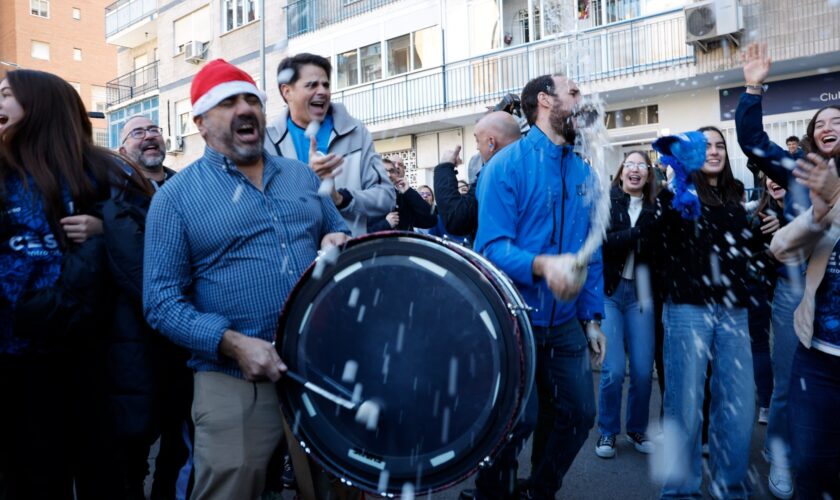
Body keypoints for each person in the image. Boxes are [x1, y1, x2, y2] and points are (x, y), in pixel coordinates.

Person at [142, 59, 350, 500]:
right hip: (230, 376)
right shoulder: (175, 199)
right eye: (227, 102)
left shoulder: (299, 175)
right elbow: (159, 302)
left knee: (337, 485)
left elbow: (337, 228)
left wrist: (338, 238)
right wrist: (232, 343)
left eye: (250, 99)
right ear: (199, 122)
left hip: (318, 364)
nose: (244, 109)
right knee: (232, 487)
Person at [0, 69, 152, 499]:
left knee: (105, 479)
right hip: (15, 369)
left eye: (7, 95)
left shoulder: (104, 171)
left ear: (42, 106)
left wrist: (108, 229)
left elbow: (156, 236)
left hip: (94, 362)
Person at [473, 73, 606, 499]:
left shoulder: (584, 170)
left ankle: (540, 490)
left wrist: (592, 318)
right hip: (516, 319)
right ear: (546, 102)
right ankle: (489, 489)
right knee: (519, 419)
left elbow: (592, 249)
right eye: (574, 92)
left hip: (566, 322)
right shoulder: (505, 166)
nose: (582, 100)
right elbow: (490, 247)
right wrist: (541, 264)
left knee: (580, 414)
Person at [736, 41, 840, 499]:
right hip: (793, 295)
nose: (829, 125)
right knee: (785, 387)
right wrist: (753, 87)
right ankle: (779, 454)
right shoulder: (798, 170)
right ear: (812, 135)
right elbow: (753, 142)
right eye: (822, 122)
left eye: (839, 120)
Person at [657, 126, 759, 499]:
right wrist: (673, 191)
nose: (713, 151)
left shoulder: (735, 194)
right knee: (684, 406)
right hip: (687, 309)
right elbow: (658, 245)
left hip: (734, 311)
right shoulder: (675, 195)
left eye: (719, 145)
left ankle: (729, 488)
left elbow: (743, 253)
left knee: (739, 405)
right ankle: (681, 491)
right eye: (705, 146)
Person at [102, 115, 193, 500]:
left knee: (179, 440)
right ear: (123, 149)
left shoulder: (185, 187)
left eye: (153, 129)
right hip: (135, 339)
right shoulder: (114, 191)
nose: (149, 136)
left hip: (185, 340)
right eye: (137, 132)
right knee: (135, 441)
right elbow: (136, 267)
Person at [770, 151, 840, 500]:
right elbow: (781, 248)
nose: (830, 128)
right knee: (811, 468)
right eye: (822, 122)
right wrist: (816, 214)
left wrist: (836, 197)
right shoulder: (825, 196)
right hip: (817, 357)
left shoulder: (835, 192)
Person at [265, 53, 394, 236]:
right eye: (312, 85)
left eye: (325, 85)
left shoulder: (357, 132)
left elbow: (386, 196)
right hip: (296, 261)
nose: (322, 91)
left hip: (347, 258)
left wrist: (340, 198)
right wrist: (307, 181)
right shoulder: (267, 142)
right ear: (287, 92)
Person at [595, 151, 659, 459]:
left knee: (644, 370)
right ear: (621, 173)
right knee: (614, 369)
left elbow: (663, 243)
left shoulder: (658, 206)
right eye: (630, 164)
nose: (635, 170)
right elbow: (602, 241)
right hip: (610, 291)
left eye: (641, 165)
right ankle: (607, 430)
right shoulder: (607, 203)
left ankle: (636, 428)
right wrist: (637, 234)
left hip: (642, 294)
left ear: (648, 174)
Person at [433, 111, 521, 239]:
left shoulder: (496, 173)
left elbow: (457, 219)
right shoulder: (535, 163)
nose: (477, 147)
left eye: (477, 141)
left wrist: (445, 167)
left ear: (491, 143)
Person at [747, 174, 786, 426]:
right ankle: (767, 401)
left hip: (791, 287)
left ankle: (785, 401)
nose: (773, 181)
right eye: (768, 178)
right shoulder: (759, 211)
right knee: (760, 345)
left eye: (778, 176)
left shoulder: (806, 208)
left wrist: (785, 226)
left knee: (786, 348)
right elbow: (748, 249)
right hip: (759, 285)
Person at [367, 156, 436, 232]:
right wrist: (386, 224)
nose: (389, 174)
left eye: (399, 165)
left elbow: (430, 220)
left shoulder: (406, 196)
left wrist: (408, 191)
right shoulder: (367, 197)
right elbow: (358, 234)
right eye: (384, 170)